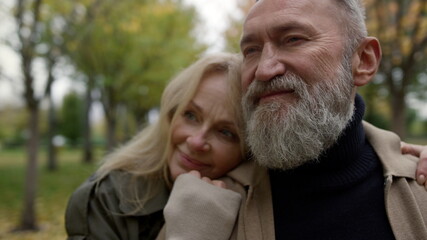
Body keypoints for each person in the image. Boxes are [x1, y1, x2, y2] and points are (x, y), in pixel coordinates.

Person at [161, 0, 427, 239]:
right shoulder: (205, 209)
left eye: (293, 39)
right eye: (251, 50)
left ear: (364, 60)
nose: (264, 70)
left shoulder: (420, 189)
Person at [65, 53, 246, 240]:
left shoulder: (260, 205)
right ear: (170, 114)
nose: (196, 141)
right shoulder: (108, 199)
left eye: (226, 132)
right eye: (191, 115)